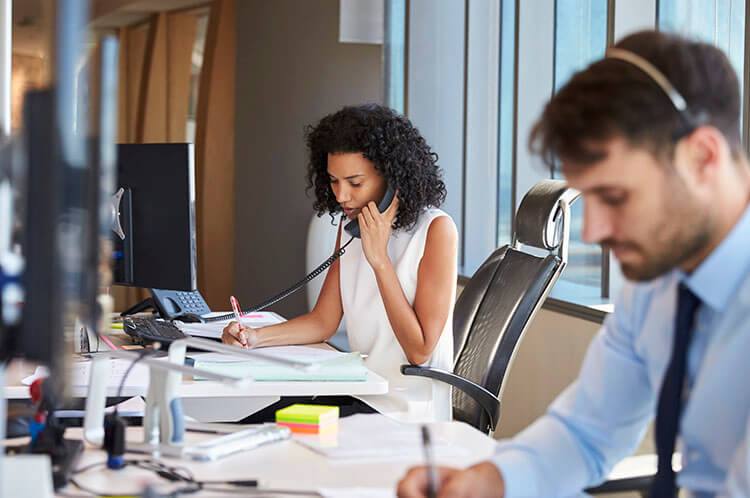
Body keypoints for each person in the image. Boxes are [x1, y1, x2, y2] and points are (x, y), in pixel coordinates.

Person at [398, 30, 750, 497]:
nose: (592, 232)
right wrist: (488, 482)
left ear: (703, 158)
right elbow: (586, 433)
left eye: (615, 196)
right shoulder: (656, 289)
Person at [222, 104, 458, 423]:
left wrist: (380, 261)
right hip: (358, 392)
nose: (341, 196)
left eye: (355, 183)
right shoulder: (351, 228)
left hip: (402, 411)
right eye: (333, 181)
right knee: (240, 426)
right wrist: (255, 336)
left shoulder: (435, 231)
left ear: (392, 178)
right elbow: (324, 321)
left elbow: (420, 351)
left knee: (260, 435)